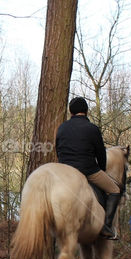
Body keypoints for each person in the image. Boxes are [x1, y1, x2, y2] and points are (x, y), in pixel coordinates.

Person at [55, 97, 121, 239]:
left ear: (71, 112)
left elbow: (58, 150)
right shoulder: (92, 129)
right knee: (115, 190)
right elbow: (101, 154)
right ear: (86, 111)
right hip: (88, 170)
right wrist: (101, 169)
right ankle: (106, 228)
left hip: (66, 171)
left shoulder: (62, 128)